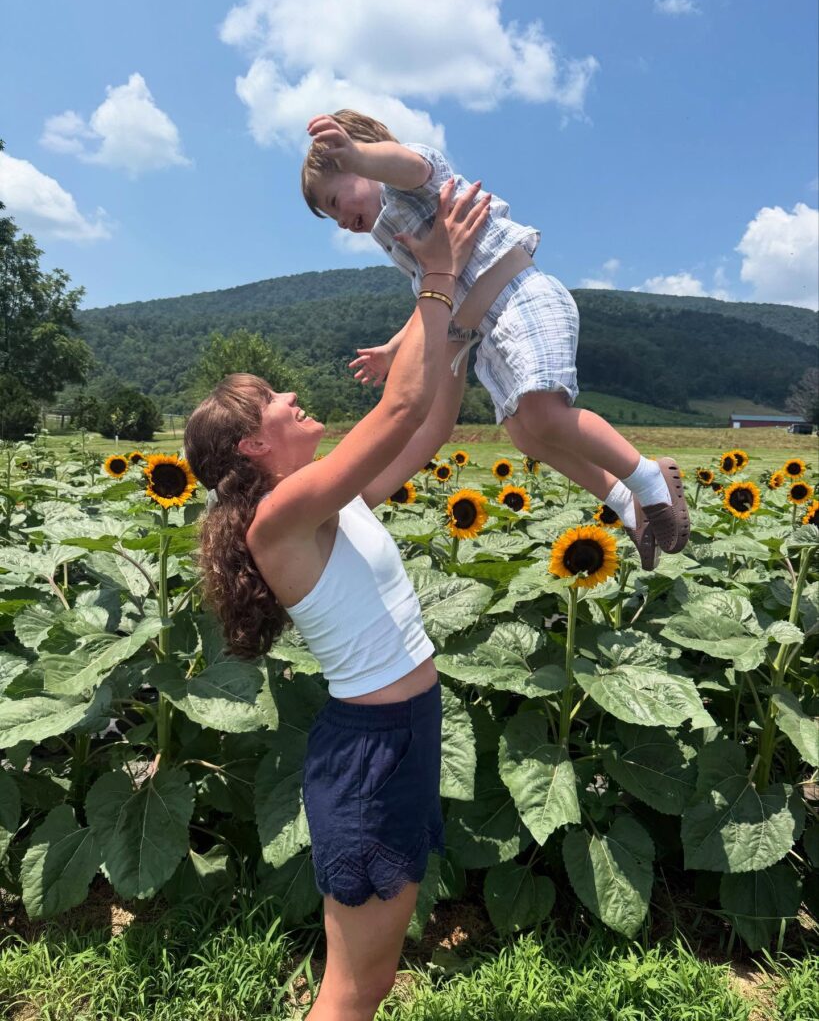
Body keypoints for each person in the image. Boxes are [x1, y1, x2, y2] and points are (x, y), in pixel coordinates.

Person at [183, 179, 489, 1021]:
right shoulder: (280, 517)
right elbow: (393, 410)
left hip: (404, 733)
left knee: (372, 978)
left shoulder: (328, 501)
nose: (292, 397)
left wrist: (459, 321)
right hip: (371, 752)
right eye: (274, 400)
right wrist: (433, 275)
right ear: (253, 443)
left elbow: (423, 424)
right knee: (354, 989)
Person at [301, 109, 691, 569]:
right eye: (328, 217)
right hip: (487, 335)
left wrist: (360, 156)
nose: (340, 221)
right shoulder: (395, 237)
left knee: (545, 415)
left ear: (358, 160)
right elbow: (433, 292)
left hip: (521, 300)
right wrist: (393, 347)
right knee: (529, 435)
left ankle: (650, 478)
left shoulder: (413, 183)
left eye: (334, 200)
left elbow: (407, 165)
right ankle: (628, 502)